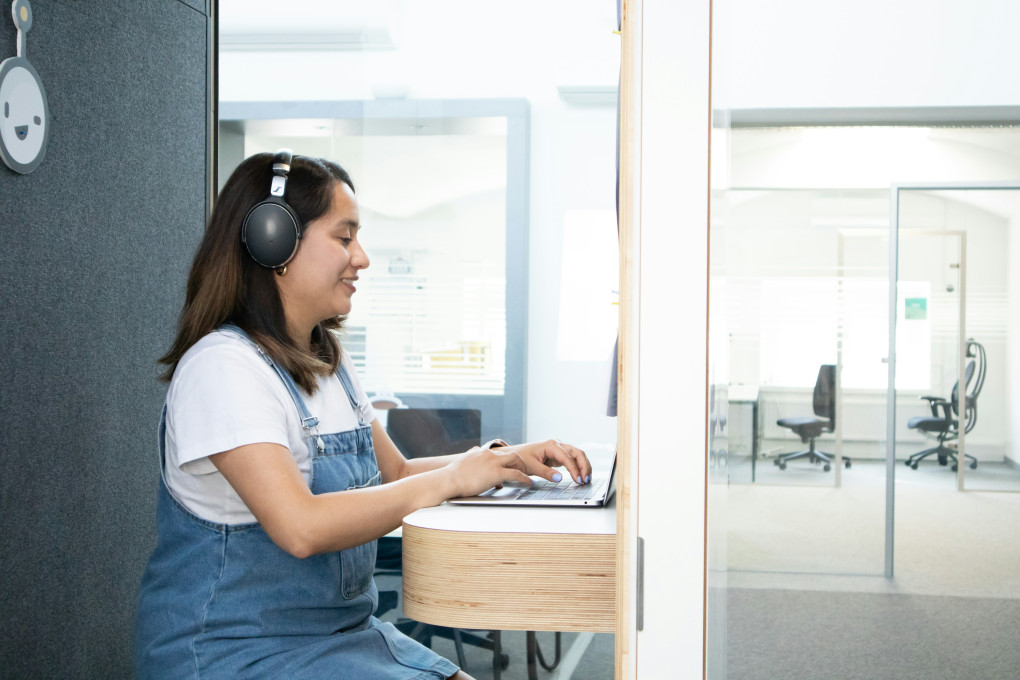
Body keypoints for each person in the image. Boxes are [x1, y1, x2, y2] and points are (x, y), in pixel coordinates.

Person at [134, 151, 592, 680]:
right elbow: (300, 526)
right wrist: (451, 479)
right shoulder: (223, 368)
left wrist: (501, 461)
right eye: (344, 237)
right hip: (234, 653)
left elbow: (395, 474)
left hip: (342, 635)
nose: (363, 258)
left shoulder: (328, 359)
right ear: (272, 240)